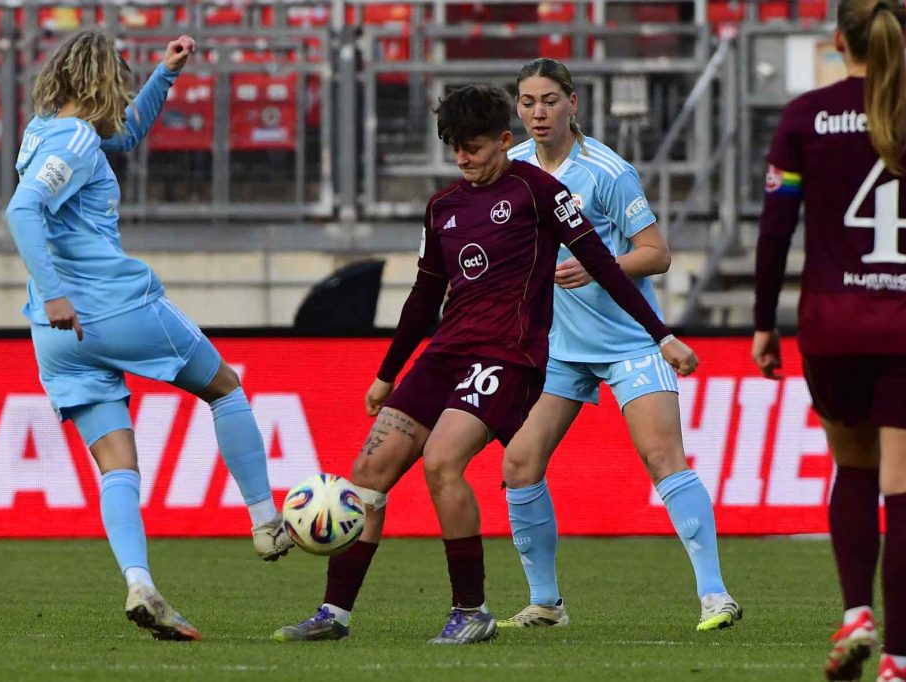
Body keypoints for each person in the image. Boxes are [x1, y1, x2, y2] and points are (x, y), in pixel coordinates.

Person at [272, 83, 696, 645]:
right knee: (369, 475)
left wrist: (660, 335)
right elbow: (423, 298)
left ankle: (470, 610)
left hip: (510, 355)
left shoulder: (541, 192)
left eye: (474, 146)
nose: (464, 159)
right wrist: (386, 373)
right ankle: (334, 614)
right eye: (454, 148)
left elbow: (604, 264)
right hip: (444, 353)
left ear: (503, 139)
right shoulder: (443, 208)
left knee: (442, 461)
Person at [4, 29, 294, 642]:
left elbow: (126, 135)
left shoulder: (43, 132)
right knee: (224, 386)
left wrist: (167, 74)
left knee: (116, 466)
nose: (126, 92)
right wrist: (58, 290)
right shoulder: (78, 138)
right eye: (125, 81)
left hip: (55, 336)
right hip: (109, 307)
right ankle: (267, 519)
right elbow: (22, 211)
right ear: (102, 81)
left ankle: (140, 583)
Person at [496, 57, 741, 633]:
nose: (538, 111)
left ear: (573, 103)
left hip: (631, 340)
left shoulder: (608, 171)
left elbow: (657, 253)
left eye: (550, 100)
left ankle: (716, 596)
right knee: (518, 463)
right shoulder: (516, 169)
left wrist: (596, 263)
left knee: (662, 459)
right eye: (528, 101)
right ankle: (546, 604)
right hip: (559, 346)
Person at [752, 2, 906, 680]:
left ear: (836, 41)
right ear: (905, 38)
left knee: (852, 469)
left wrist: (763, 322)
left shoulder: (806, 117)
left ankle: (856, 611)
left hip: (834, 323)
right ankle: (899, 662)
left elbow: (774, 231)